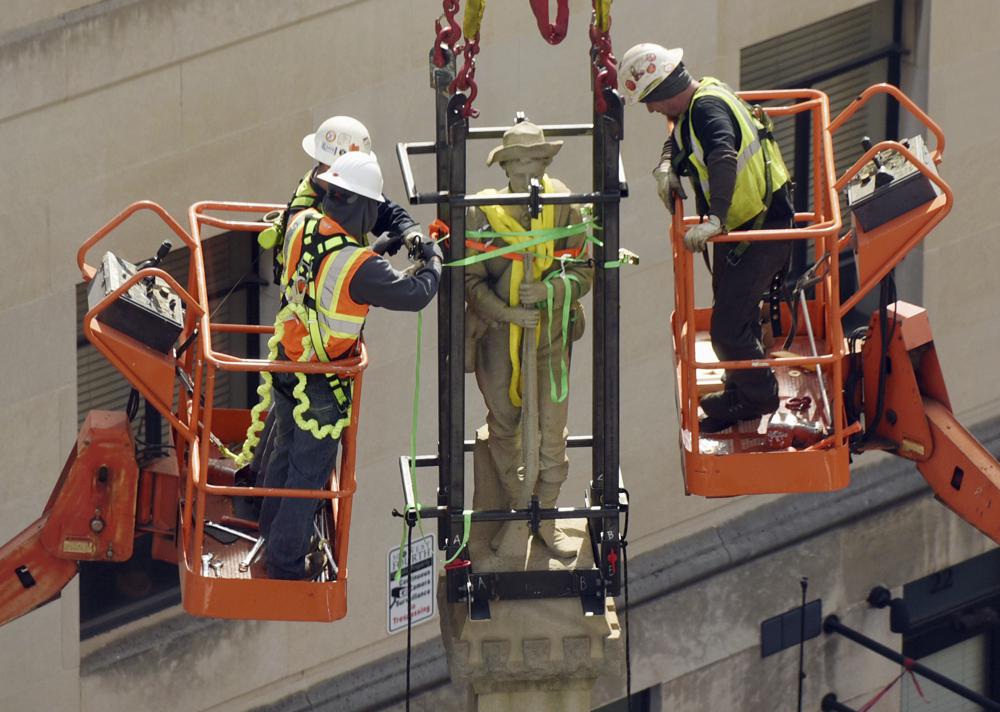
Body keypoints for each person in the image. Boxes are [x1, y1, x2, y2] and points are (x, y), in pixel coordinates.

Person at [259, 151, 442, 580]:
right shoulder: (361, 268)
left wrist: (384, 244)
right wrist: (433, 260)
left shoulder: (303, 222)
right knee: (310, 473)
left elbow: (327, 263)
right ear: (361, 205)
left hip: (289, 358)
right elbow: (415, 293)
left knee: (284, 453)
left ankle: (270, 532)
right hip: (321, 379)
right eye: (373, 207)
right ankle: (285, 562)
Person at [621, 43, 794, 433]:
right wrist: (667, 164)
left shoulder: (706, 109)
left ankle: (758, 397)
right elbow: (679, 135)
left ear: (665, 90)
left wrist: (715, 218)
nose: (650, 109)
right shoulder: (702, 96)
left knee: (727, 331)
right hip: (752, 225)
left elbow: (722, 156)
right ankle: (740, 380)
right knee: (736, 313)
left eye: (649, 100)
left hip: (760, 228)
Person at [239, 116, 421, 488]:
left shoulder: (326, 190)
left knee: (286, 403)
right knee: (290, 421)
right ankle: (260, 485)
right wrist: (370, 265)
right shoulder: (310, 206)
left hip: (308, 316)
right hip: (308, 318)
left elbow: (382, 210)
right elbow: (331, 264)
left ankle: (260, 484)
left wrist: (409, 231)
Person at [465, 121, 593, 557]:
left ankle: (549, 515)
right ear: (504, 171)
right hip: (499, 341)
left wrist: (549, 292)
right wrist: (509, 312)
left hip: (551, 337)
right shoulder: (482, 214)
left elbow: (584, 272)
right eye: (517, 171)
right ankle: (519, 512)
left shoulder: (565, 207)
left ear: (545, 164)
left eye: (533, 169)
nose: (527, 180)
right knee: (505, 426)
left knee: (552, 430)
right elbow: (471, 280)